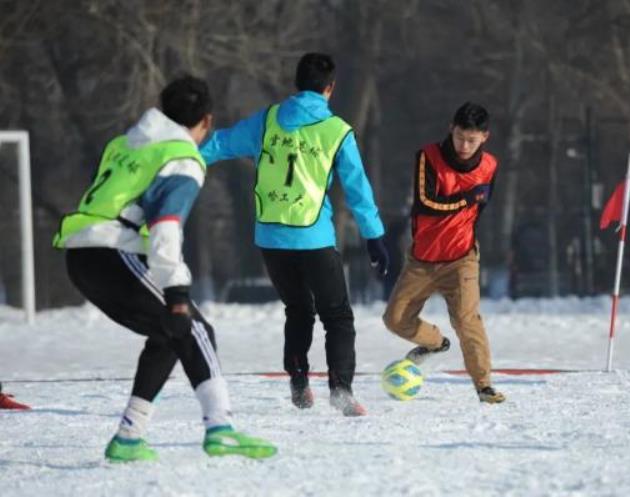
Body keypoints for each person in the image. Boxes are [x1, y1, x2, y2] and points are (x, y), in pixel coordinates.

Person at [52, 76, 276, 462]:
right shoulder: (181, 157)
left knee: (168, 334)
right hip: (111, 252)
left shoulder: (124, 143)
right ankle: (220, 428)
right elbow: (165, 225)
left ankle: (129, 437)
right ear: (206, 121)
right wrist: (177, 291)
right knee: (194, 327)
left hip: (81, 253)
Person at [200, 53, 388, 416]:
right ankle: (341, 390)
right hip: (313, 238)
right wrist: (374, 236)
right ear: (329, 89)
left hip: (270, 238)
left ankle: (299, 382)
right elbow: (357, 188)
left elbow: (221, 143)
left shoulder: (268, 120)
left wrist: (183, 155)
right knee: (337, 315)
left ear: (296, 84)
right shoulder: (337, 131)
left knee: (298, 310)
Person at [382, 102, 505, 404]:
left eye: (472, 140)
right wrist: (466, 199)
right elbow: (426, 202)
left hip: (462, 258)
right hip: (422, 260)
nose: (464, 145)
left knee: (467, 320)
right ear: (451, 128)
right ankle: (436, 344)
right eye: (460, 136)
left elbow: (483, 205)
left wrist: (468, 210)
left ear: (485, 137)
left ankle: (484, 385)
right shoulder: (428, 157)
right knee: (395, 320)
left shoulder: (490, 166)